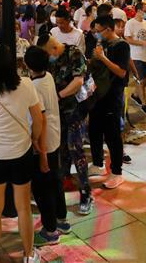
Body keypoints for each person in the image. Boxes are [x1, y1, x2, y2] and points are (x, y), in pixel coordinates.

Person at [0, 44, 46, 263]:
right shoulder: (26, 84)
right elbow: (39, 118)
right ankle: (29, 254)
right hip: (22, 152)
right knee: (23, 207)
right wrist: (34, 139)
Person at [40, 34, 93, 214]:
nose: (48, 59)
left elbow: (78, 81)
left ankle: (86, 192)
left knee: (76, 149)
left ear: (53, 48)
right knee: (61, 149)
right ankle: (63, 182)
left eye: (47, 54)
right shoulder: (50, 59)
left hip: (75, 111)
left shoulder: (74, 54)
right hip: (57, 113)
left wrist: (58, 96)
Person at [25, 46, 71, 245]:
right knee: (55, 180)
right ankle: (62, 220)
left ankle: (50, 230)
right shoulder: (49, 76)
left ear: (26, 65)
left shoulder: (33, 87)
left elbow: (39, 120)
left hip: (44, 140)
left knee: (43, 187)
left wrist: (41, 153)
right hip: (55, 136)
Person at [87, 14, 130, 188]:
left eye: (99, 31)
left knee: (112, 135)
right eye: (95, 31)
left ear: (109, 29)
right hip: (97, 95)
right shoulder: (101, 44)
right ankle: (98, 163)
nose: (96, 34)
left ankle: (117, 172)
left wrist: (103, 58)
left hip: (112, 95)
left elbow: (121, 72)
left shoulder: (121, 46)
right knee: (94, 130)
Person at [124, 4, 146, 115]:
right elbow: (128, 39)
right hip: (135, 55)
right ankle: (144, 104)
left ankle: (136, 95)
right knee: (140, 80)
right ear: (138, 10)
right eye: (145, 10)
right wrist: (142, 43)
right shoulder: (130, 23)